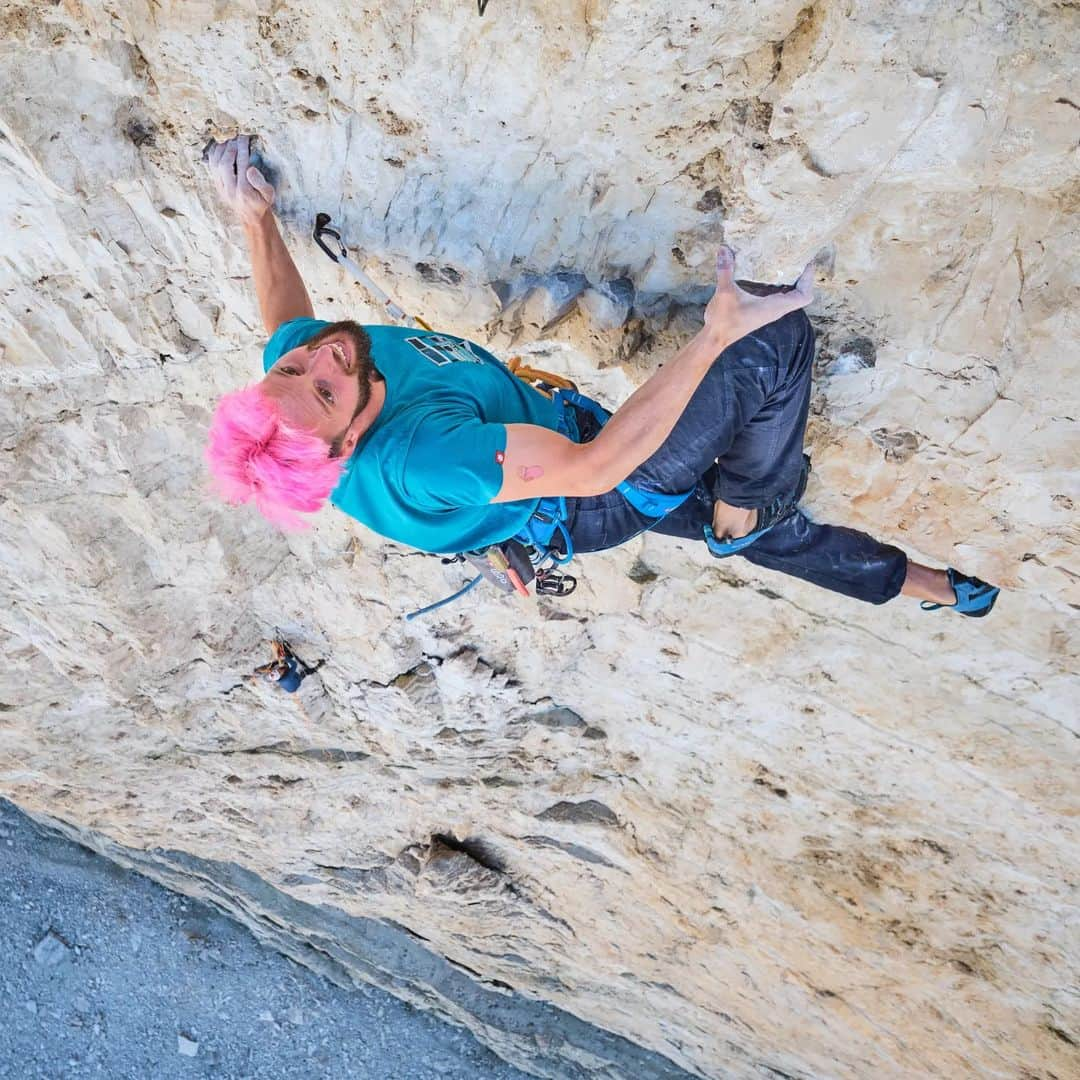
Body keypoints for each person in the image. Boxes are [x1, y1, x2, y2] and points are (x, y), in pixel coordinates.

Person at [204, 136, 999, 617]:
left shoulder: (294, 386)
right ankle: (744, 511)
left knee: (748, 530)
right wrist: (714, 334)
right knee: (772, 342)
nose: (326, 358)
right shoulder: (425, 458)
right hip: (592, 496)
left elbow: (282, 322)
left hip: (553, 451)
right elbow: (600, 469)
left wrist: (256, 220)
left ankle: (906, 579)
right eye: (325, 388)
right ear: (343, 445)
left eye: (302, 367)